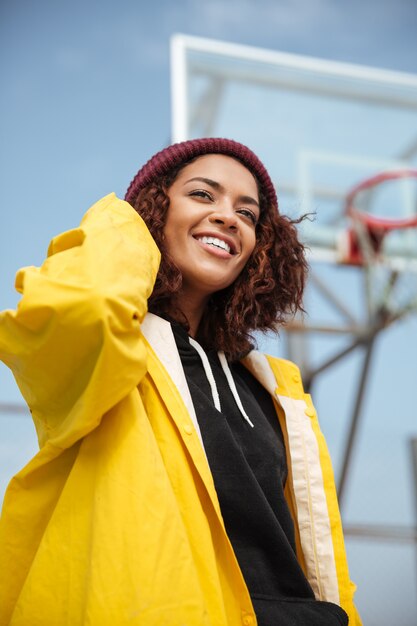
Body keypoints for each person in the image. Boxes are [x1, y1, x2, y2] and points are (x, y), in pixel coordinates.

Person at [0, 138, 361, 626]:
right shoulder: (109, 351)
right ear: (154, 210)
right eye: (202, 195)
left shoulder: (275, 389)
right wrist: (128, 221)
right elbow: (85, 307)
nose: (228, 217)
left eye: (248, 214)